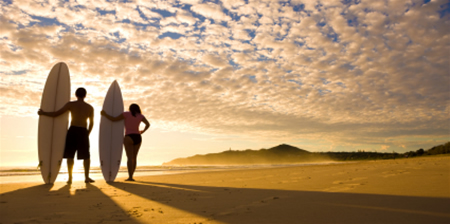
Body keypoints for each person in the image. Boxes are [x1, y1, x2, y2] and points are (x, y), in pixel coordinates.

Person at [38, 88, 94, 184]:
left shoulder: (71, 105)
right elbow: (91, 123)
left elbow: (56, 114)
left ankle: (70, 178)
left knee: (70, 155)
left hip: (72, 130)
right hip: (83, 131)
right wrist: (87, 134)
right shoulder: (90, 107)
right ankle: (87, 177)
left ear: (76, 95)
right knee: (86, 156)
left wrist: (43, 113)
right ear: (85, 95)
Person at [101, 104, 150, 181]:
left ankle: (130, 177)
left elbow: (113, 119)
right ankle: (132, 176)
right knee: (134, 157)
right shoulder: (140, 116)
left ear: (130, 109)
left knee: (130, 157)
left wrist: (105, 114)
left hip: (129, 137)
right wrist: (143, 131)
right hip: (138, 137)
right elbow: (148, 124)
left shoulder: (126, 114)